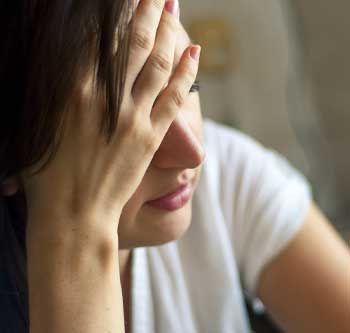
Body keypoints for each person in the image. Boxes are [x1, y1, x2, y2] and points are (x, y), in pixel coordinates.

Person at [0, 0, 349, 332]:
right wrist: (77, 229)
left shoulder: (224, 177)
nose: (192, 153)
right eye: (122, 121)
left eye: (186, 86)